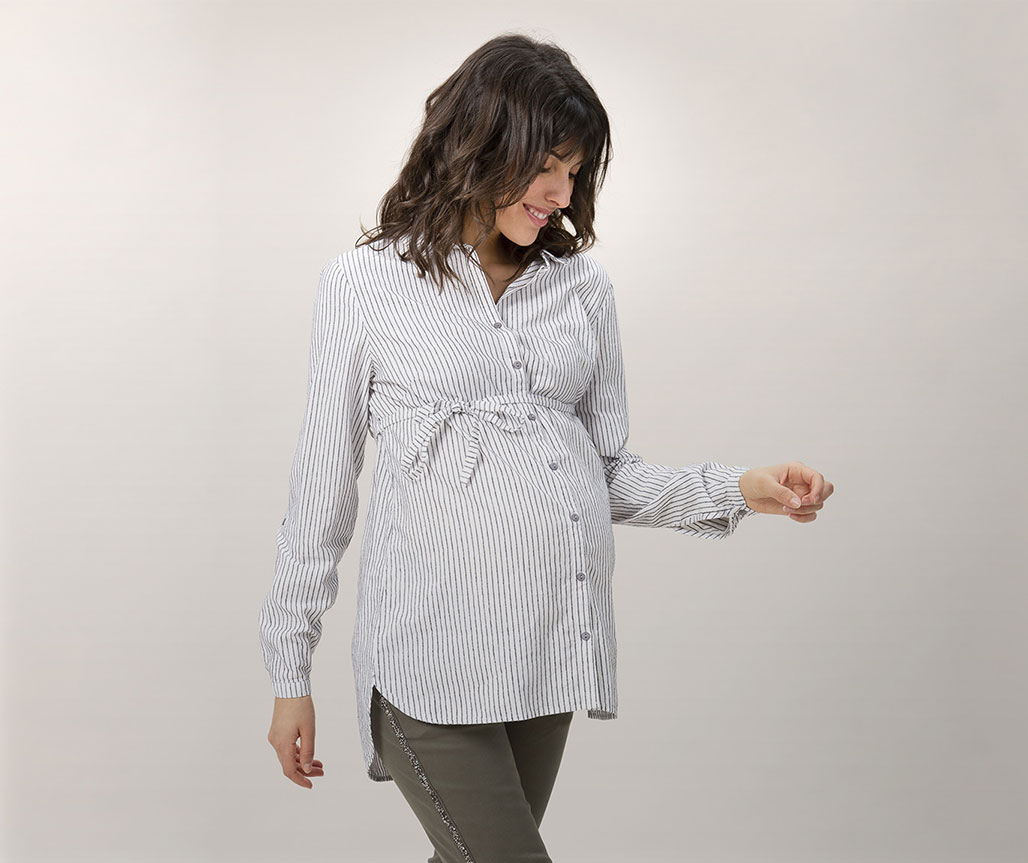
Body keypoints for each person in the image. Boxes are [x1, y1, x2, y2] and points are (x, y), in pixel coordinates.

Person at [258, 32, 833, 863]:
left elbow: (603, 473)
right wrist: (290, 673)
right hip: (427, 661)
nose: (561, 193)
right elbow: (321, 491)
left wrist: (740, 487)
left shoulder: (583, 290)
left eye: (576, 170)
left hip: (548, 650)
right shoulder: (364, 285)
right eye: (546, 165)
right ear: (479, 143)